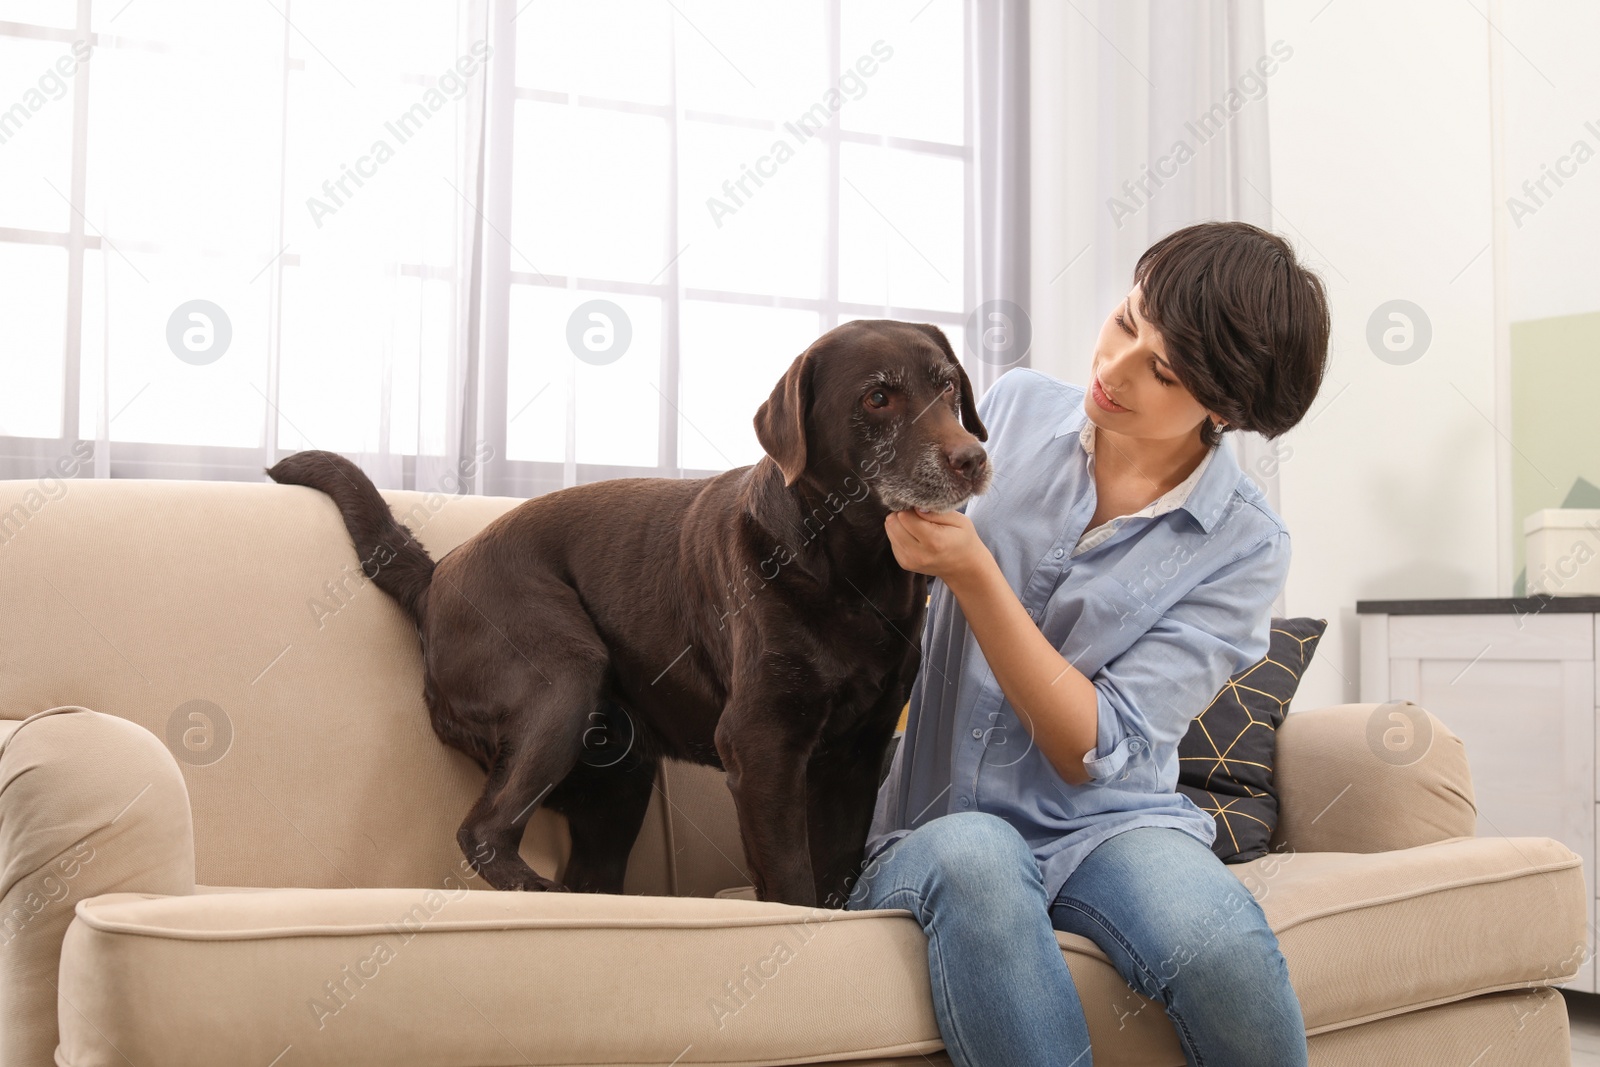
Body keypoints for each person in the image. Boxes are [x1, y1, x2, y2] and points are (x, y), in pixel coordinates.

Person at [845, 220, 1331, 1067]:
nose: (1112, 369)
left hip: (1111, 824)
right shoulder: (1011, 409)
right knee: (980, 856)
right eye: (1127, 320)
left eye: (1163, 370)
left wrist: (975, 574)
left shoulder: (1246, 544)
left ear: (1229, 408)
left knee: (1220, 943)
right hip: (938, 825)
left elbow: (1093, 749)